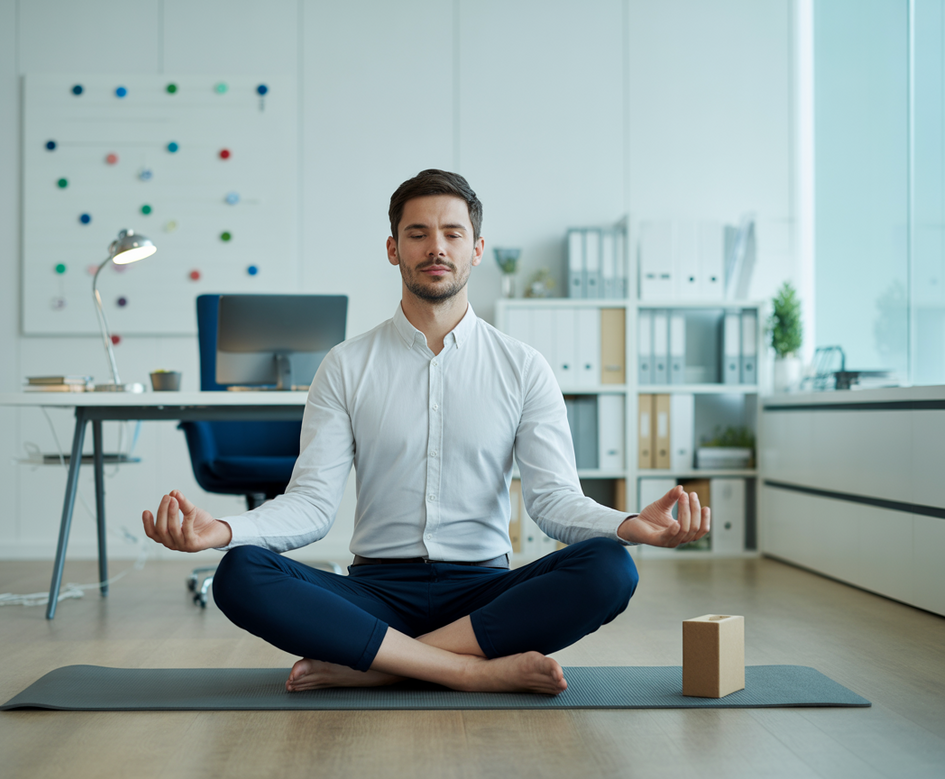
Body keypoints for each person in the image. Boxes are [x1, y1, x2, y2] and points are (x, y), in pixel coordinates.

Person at [142, 169, 710, 696]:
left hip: (486, 598)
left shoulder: (522, 366)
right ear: (394, 249)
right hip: (375, 594)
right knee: (240, 571)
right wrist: (220, 530)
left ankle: (376, 669)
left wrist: (630, 524)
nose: (436, 247)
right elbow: (312, 505)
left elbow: (552, 500)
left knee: (611, 566)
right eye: (417, 233)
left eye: (452, 233)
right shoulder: (344, 365)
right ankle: (467, 672)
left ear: (475, 249)